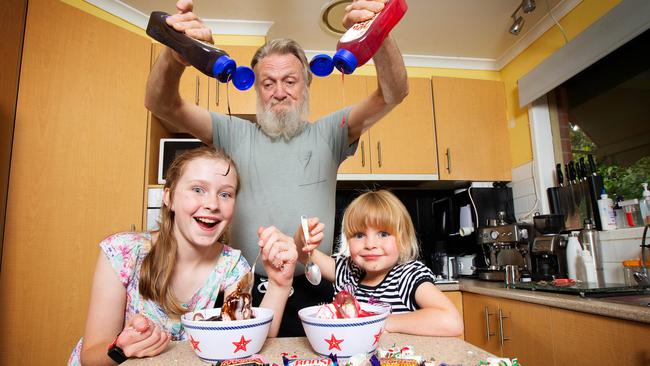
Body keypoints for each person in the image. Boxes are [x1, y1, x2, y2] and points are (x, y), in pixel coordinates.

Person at [145, 0, 409, 336]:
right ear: (255, 87)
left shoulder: (330, 133)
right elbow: (161, 103)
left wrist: (378, 34)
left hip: (316, 286)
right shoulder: (231, 132)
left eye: (290, 81)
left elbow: (393, 94)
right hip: (244, 289)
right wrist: (175, 54)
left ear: (307, 84)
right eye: (268, 83)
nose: (279, 92)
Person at [68, 147, 298, 365]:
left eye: (225, 194)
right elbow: (91, 356)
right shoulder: (121, 252)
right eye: (198, 189)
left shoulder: (232, 266)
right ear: (169, 198)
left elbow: (244, 341)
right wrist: (122, 349)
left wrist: (279, 285)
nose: (212, 204)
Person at [297, 190, 464, 336]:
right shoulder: (348, 272)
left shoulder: (407, 276)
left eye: (383, 234)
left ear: (403, 240)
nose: (370, 244)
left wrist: (381, 323)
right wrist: (303, 237)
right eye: (359, 235)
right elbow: (302, 253)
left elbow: (451, 322)